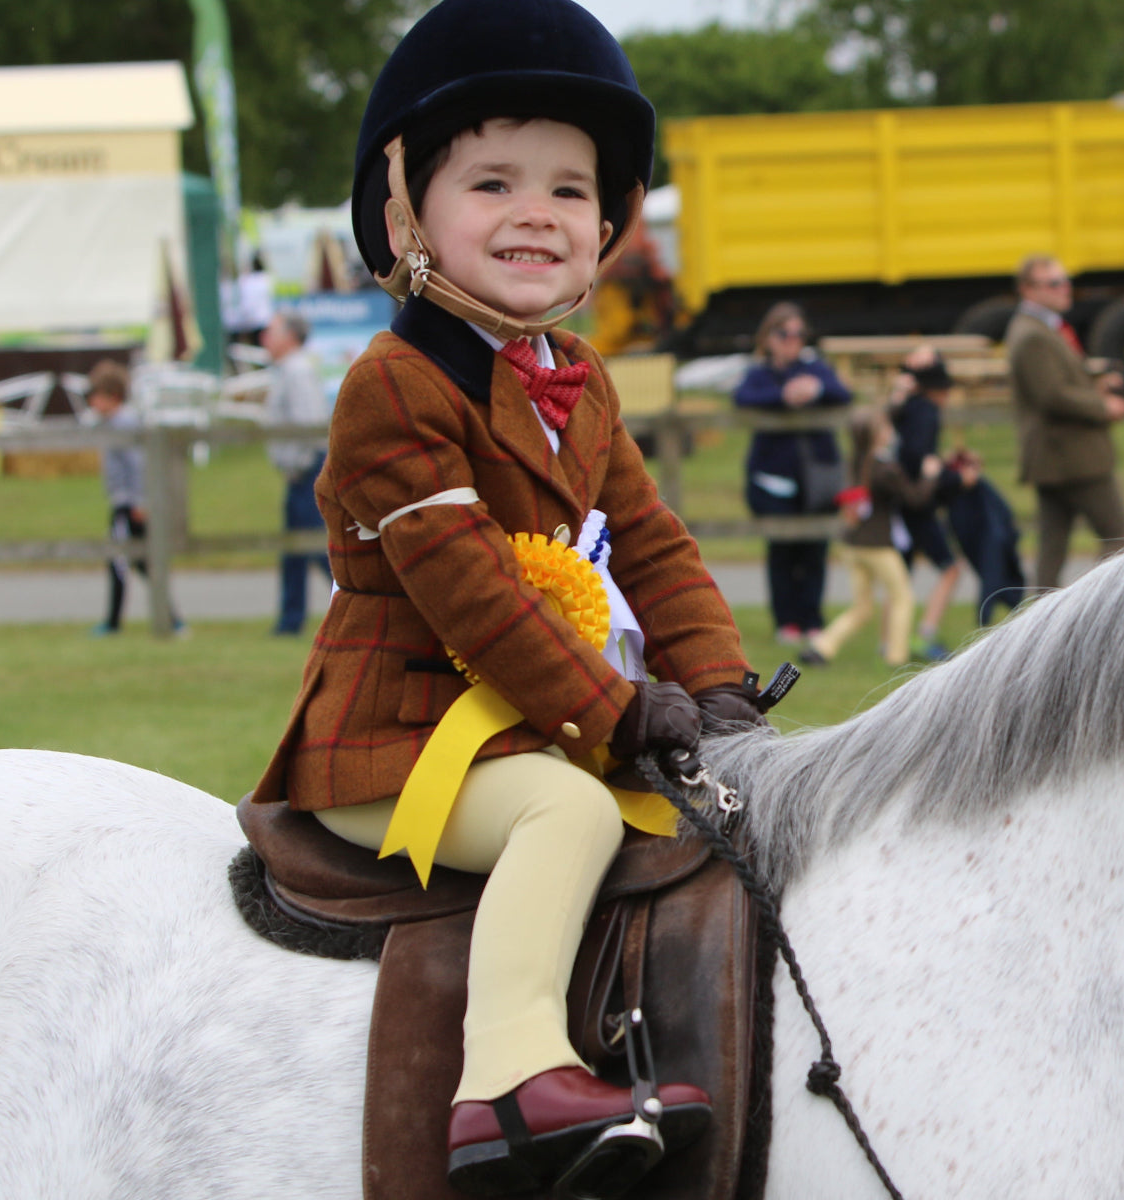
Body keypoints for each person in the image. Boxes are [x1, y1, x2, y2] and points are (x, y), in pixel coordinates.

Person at [249, 1, 764, 1194]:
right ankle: (512, 1079)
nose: (536, 212)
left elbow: (650, 544)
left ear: (606, 225)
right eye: (491, 183)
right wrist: (622, 711)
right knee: (567, 818)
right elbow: (471, 593)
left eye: (570, 191)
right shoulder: (393, 386)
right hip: (390, 744)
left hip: (529, 723)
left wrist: (724, 687)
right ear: (405, 213)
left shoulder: (579, 384)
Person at [1006, 254, 1124, 589]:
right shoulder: (1032, 334)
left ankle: (1040, 632)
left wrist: (1095, 386)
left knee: (1052, 553)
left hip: (1057, 458)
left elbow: (1056, 386)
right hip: (1073, 456)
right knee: (1121, 542)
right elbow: (1051, 396)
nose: (1064, 289)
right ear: (1027, 289)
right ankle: (1092, 616)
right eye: (1054, 283)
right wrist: (1103, 405)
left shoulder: (1042, 328)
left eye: (1065, 281)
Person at [733, 302, 852, 645]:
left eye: (800, 334)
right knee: (782, 551)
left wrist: (815, 390)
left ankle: (812, 619)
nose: (793, 341)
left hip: (817, 481)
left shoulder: (816, 369)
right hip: (773, 481)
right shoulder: (759, 373)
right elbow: (743, 398)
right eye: (785, 334)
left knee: (815, 551)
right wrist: (783, 396)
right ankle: (786, 622)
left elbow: (843, 393)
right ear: (769, 337)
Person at [800, 406, 941, 668]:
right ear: (877, 435)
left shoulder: (853, 461)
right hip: (877, 546)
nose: (891, 431)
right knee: (902, 597)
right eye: (886, 427)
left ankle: (821, 647)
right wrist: (930, 476)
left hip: (851, 544)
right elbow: (915, 499)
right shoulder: (885, 469)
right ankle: (896, 657)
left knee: (862, 607)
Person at [888, 347, 976, 661]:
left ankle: (891, 641)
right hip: (917, 504)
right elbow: (918, 459)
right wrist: (956, 480)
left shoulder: (906, 407)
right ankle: (924, 635)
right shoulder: (927, 411)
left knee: (901, 573)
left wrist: (945, 465)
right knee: (951, 568)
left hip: (899, 501)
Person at [86, 359, 185, 637]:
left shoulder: (123, 424)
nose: (92, 402)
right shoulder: (113, 424)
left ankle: (114, 623)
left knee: (120, 561)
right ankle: (172, 619)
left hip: (129, 505)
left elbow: (138, 466)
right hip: (125, 502)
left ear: (113, 396)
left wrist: (142, 501)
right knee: (143, 563)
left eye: (96, 396)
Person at [260, 310, 332, 635]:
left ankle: (355, 602)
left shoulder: (298, 371)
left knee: (315, 545)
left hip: (306, 471)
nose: (265, 338)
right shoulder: (287, 370)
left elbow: (308, 422)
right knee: (293, 548)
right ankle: (290, 620)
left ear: (290, 337)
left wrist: (300, 465)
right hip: (299, 472)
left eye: (272, 331)